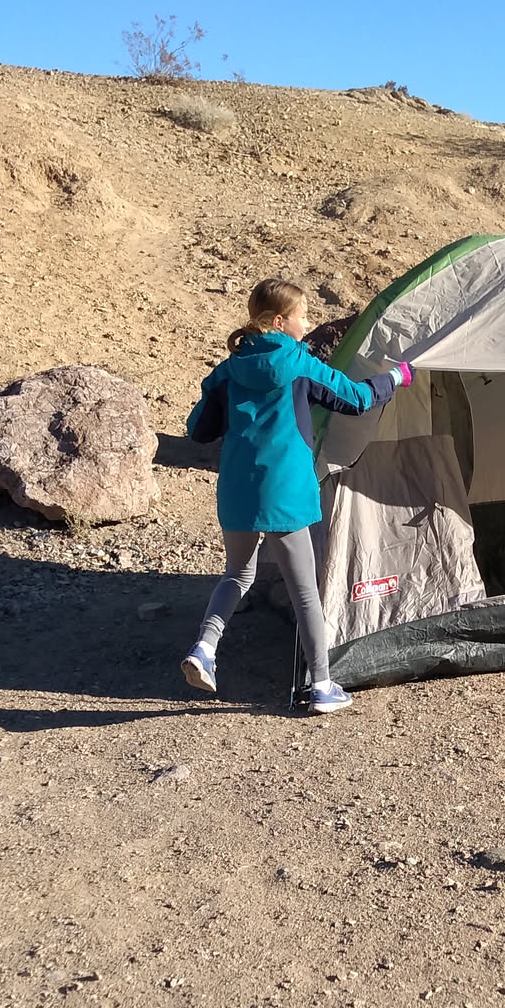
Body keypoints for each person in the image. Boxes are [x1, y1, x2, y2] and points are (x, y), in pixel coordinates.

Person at [181, 279, 412, 713]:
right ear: (279, 321)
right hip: (285, 493)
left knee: (238, 575)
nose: (307, 324)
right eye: (302, 316)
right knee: (305, 590)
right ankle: (322, 685)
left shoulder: (228, 370)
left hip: (238, 491)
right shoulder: (299, 364)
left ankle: (205, 648)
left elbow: (198, 430)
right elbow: (356, 399)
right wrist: (396, 377)